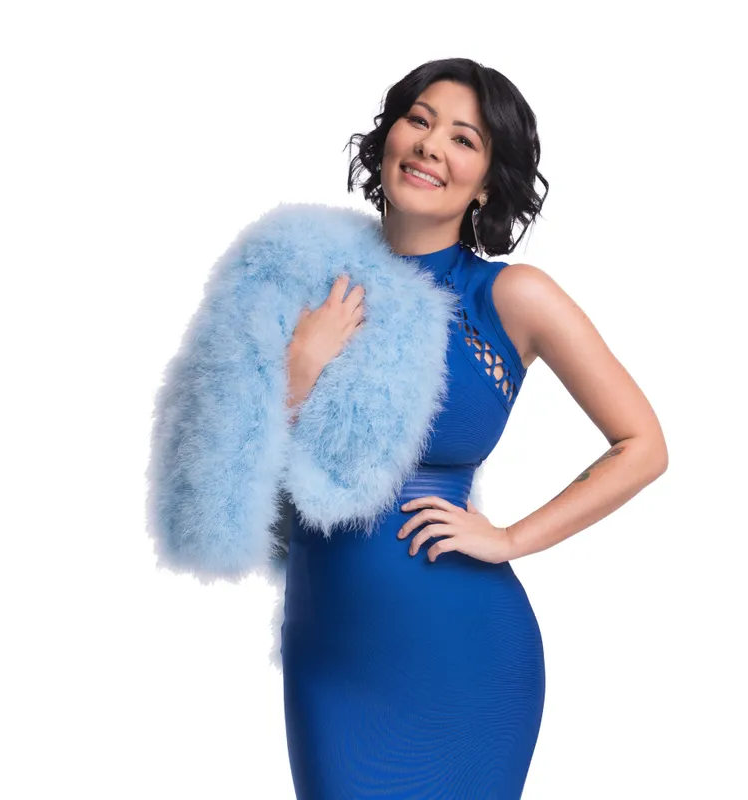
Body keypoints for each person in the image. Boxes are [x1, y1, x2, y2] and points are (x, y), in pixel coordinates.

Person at [279, 57, 668, 798]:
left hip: (464, 650)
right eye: (419, 121)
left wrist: (512, 538)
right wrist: (299, 368)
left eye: (464, 139)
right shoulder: (308, 280)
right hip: (327, 652)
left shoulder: (511, 296)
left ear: (487, 181)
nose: (431, 146)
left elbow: (643, 445)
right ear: (388, 139)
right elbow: (234, 476)